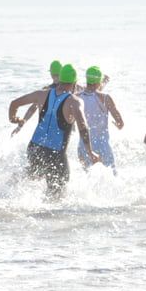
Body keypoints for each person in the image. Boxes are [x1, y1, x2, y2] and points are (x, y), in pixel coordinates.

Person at [8, 65, 87, 200]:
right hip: (55, 152)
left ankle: (12, 183)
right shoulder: (73, 101)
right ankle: (46, 212)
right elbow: (83, 127)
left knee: (35, 172)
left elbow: (14, 103)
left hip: (34, 147)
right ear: (74, 82)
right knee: (58, 193)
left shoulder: (42, 93)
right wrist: (90, 151)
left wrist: (14, 119)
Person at [77, 66, 124, 169]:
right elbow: (120, 123)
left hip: (84, 146)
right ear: (99, 81)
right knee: (111, 175)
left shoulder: (76, 97)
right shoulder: (106, 98)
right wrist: (118, 125)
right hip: (103, 147)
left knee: (86, 176)